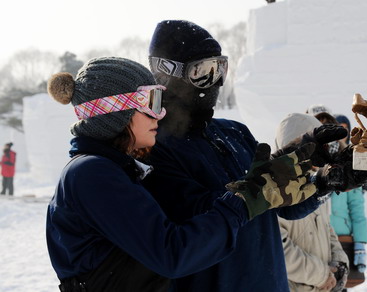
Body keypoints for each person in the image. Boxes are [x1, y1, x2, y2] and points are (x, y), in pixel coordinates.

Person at [45, 56, 318, 292]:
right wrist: (244, 202)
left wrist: (308, 177)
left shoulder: (114, 170)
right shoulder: (91, 173)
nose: (159, 115)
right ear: (116, 113)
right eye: (151, 102)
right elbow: (172, 253)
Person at [143, 20, 354, 292]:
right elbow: (203, 223)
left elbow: (284, 206)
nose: (214, 83)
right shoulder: (155, 149)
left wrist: (325, 182)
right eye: (203, 72)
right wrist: (256, 191)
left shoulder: (235, 132)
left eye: (221, 69)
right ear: (166, 74)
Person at [275, 113, 349, 292]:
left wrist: (340, 262)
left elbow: (326, 227)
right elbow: (279, 249)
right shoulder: (273, 192)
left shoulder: (314, 183)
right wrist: (322, 275)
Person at [331, 114, 367, 290]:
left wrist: (360, 242)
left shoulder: (351, 165)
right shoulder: (317, 161)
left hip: (342, 237)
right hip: (317, 236)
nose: (342, 132)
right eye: (337, 127)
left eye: (345, 128)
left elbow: (356, 207)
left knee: (341, 285)